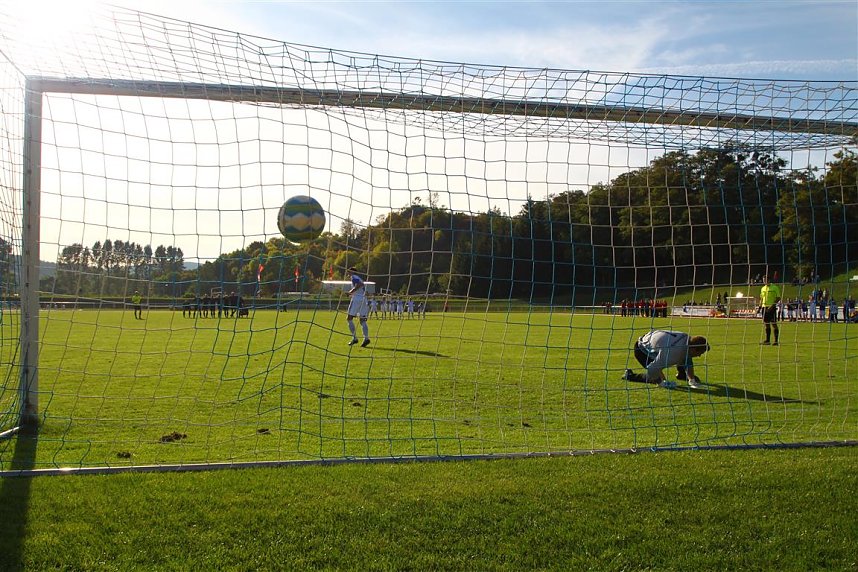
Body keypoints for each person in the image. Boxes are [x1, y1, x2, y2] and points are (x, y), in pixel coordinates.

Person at [622, 330, 710, 389]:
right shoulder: (673, 352)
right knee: (655, 377)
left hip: (653, 339)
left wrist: (692, 380)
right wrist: (662, 383)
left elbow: (688, 359)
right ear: (694, 349)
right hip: (642, 349)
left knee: (685, 356)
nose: (699, 356)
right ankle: (629, 375)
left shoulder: (688, 341)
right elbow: (652, 370)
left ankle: (682, 374)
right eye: (700, 353)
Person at [346, 266, 370, 347]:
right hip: (363, 299)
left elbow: (359, 284)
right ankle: (366, 338)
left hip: (357, 300)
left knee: (349, 318)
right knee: (362, 320)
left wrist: (351, 291)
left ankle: (354, 338)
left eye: (349, 272)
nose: (348, 273)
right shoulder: (359, 278)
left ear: (352, 272)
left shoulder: (354, 277)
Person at [758, 274, 781, 345]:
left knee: (774, 323)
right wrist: (759, 307)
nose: (764, 281)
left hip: (771, 307)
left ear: (769, 280)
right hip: (764, 307)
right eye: (763, 280)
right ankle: (767, 340)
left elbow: (778, 298)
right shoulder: (763, 288)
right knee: (766, 324)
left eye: (765, 280)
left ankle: (776, 341)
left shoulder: (774, 287)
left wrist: (772, 305)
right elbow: (761, 298)